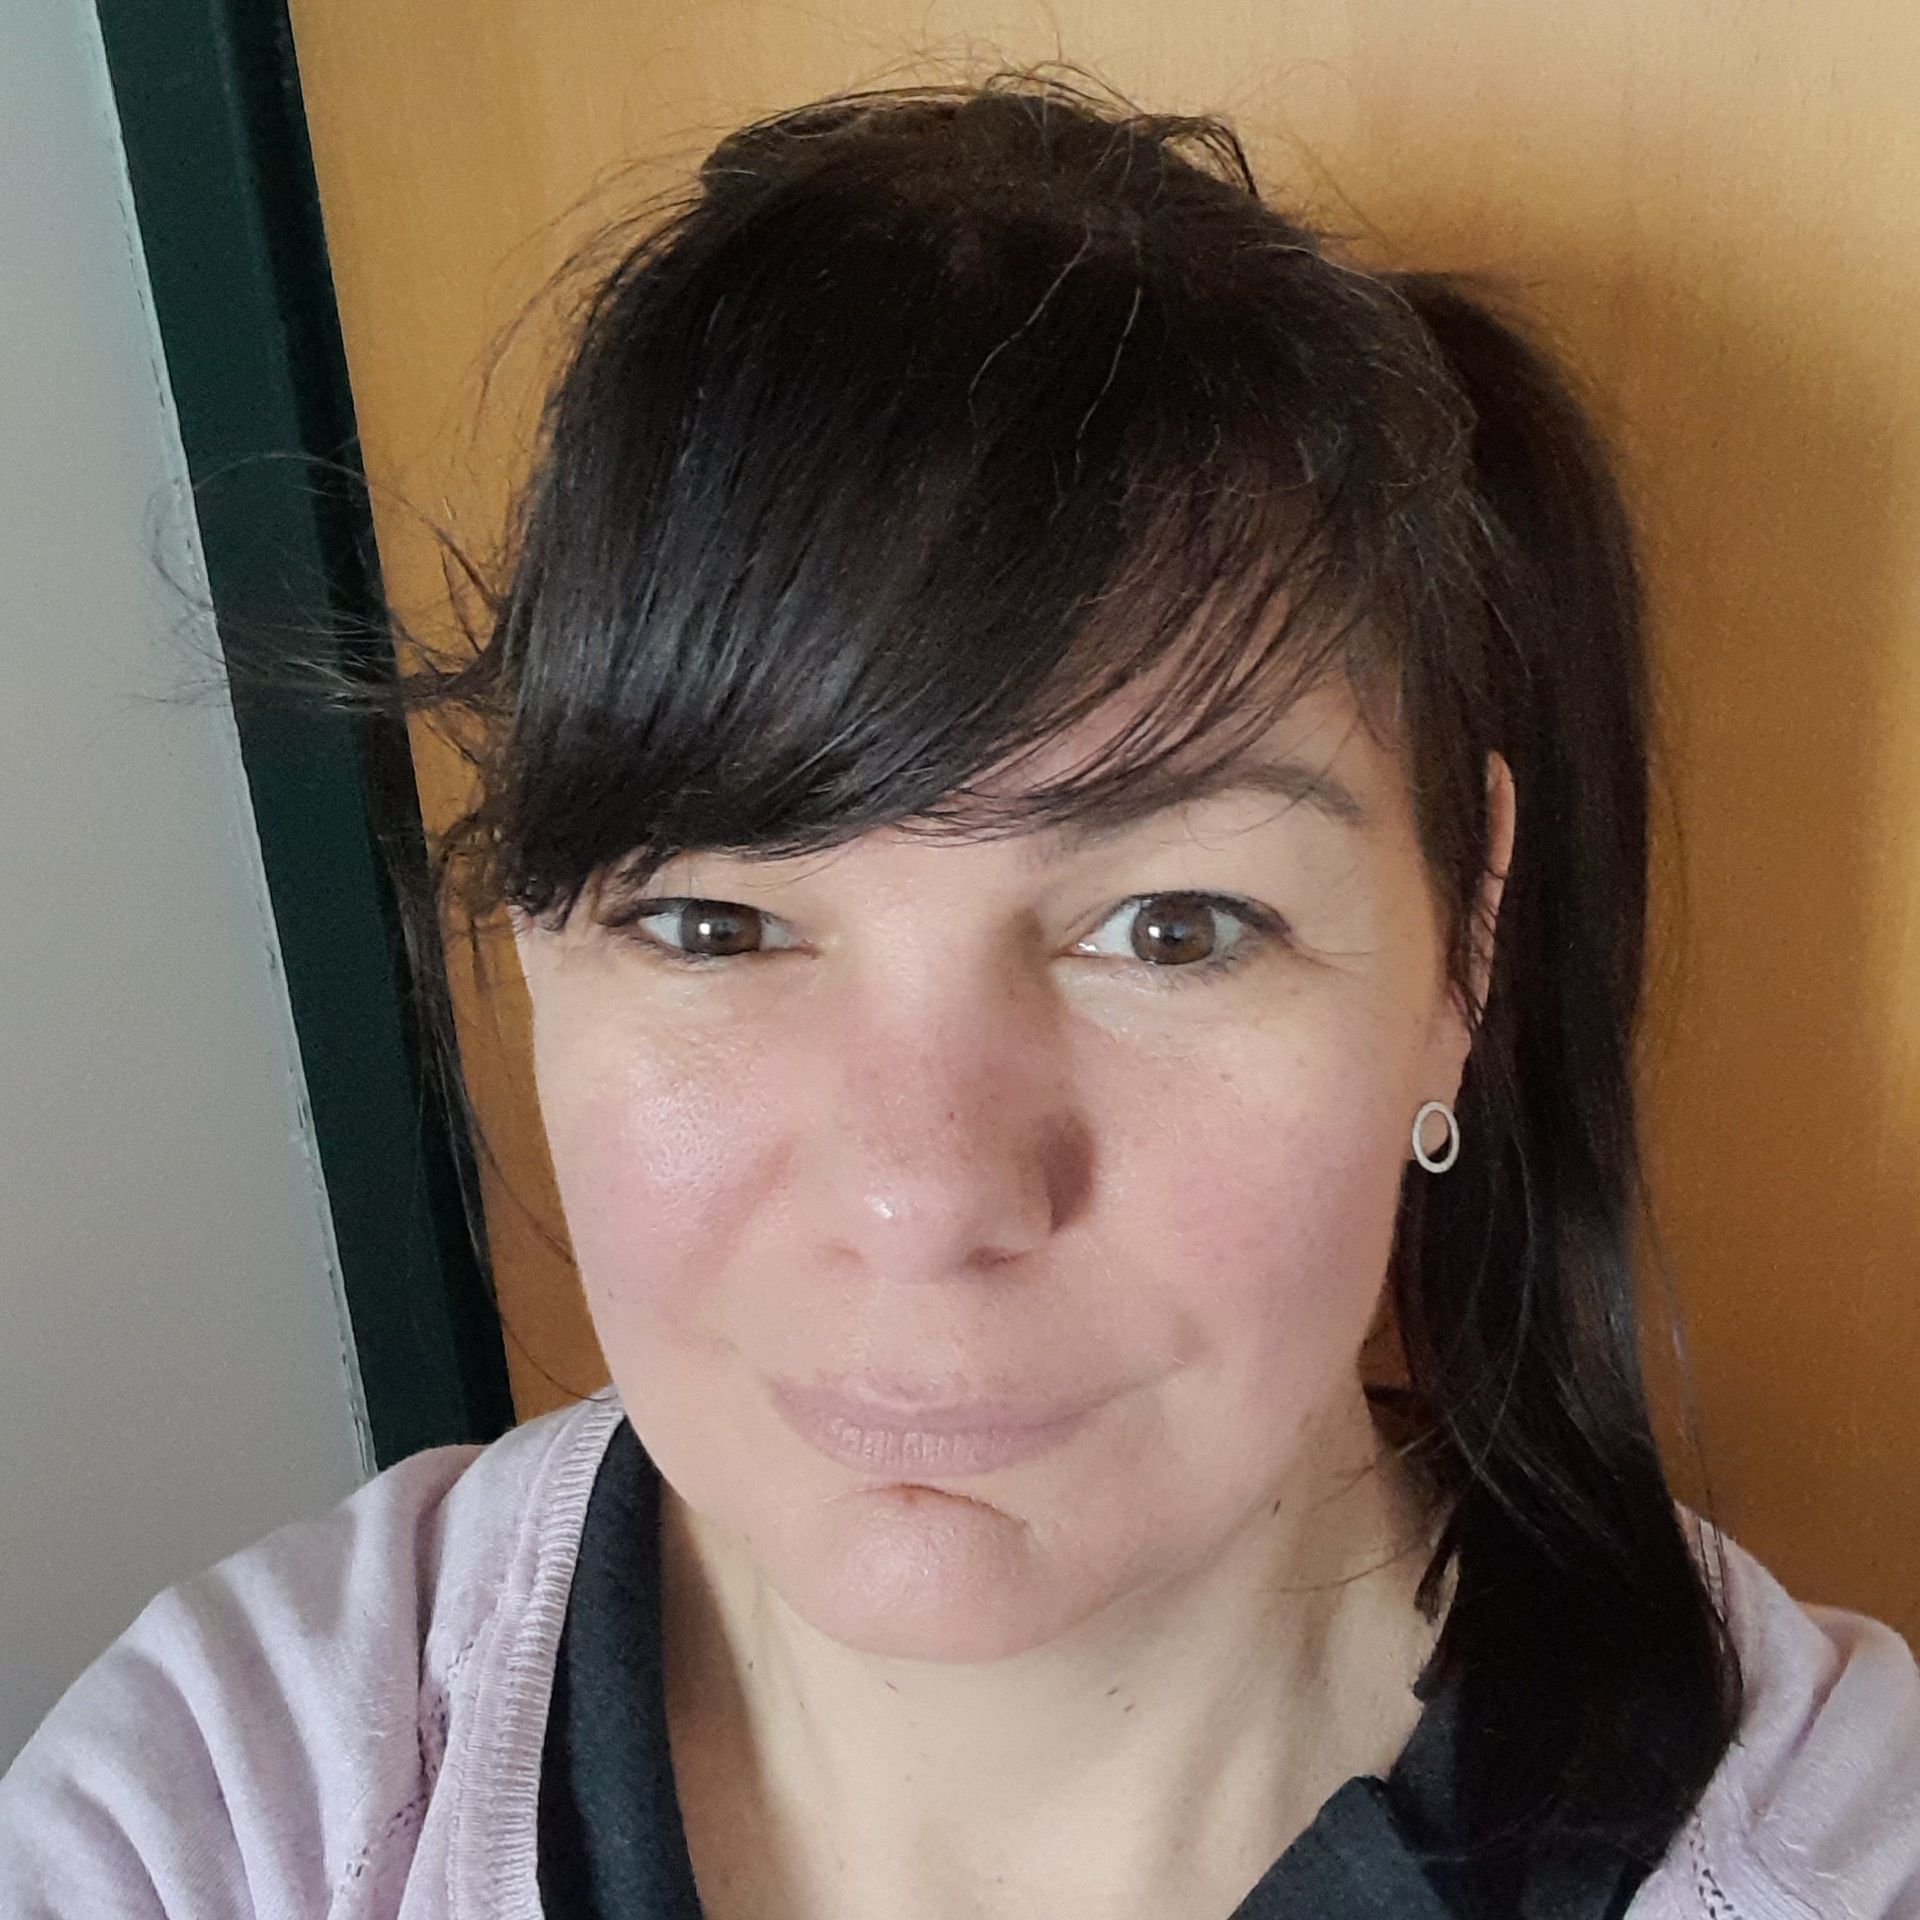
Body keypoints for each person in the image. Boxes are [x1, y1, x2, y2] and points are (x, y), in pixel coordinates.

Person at [3, 69, 1917, 1920]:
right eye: (714, 927)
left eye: (1173, 929)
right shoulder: (244, 1802)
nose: (922, 1193)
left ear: (1463, 947)